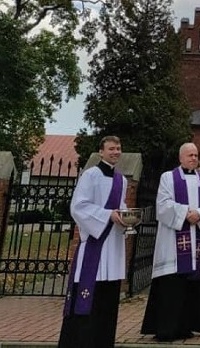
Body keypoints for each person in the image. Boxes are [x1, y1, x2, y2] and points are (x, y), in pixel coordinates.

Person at [141, 143, 200, 342]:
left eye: (196, 155)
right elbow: (163, 205)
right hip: (172, 245)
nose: (194, 158)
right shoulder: (168, 178)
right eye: (190, 155)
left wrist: (199, 214)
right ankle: (165, 329)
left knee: (191, 285)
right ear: (181, 158)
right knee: (171, 285)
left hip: (195, 243)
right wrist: (185, 214)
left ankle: (186, 327)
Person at [58, 136, 127, 348]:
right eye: (111, 149)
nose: (115, 152)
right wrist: (108, 215)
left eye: (118, 148)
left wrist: (125, 217)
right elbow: (78, 207)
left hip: (112, 248)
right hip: (95, 246)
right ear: (101, 152)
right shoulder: (91, 175)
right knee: (89, 299)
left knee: (107, 300)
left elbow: (122, 206)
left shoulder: (121, 180)